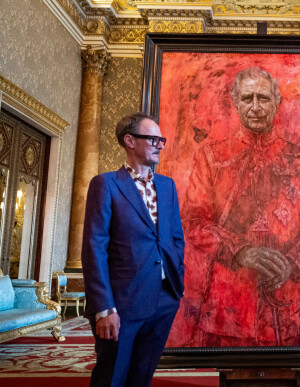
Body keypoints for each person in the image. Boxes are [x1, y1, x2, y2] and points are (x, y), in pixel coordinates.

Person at [181, 67, 300, 346]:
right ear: (236, 102)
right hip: (230, 300)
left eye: (263, 98)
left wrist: (292, 261)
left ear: (277, 103)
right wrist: (241, 253)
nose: (255, 107)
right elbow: (195, 222)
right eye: (247, 98)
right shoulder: (210, 157)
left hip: (291, 301)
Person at [81, 112, 185, 386]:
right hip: (121, 304)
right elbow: (94, 248)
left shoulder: (167, 186)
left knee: (142, 375)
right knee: (111, 376)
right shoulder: (105, 184)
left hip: (163, 300)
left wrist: (177, 284)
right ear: (130, 141)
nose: (159, 145)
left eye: (160, 140)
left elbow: (175, 239)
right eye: (152, 139)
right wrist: (104, 308)